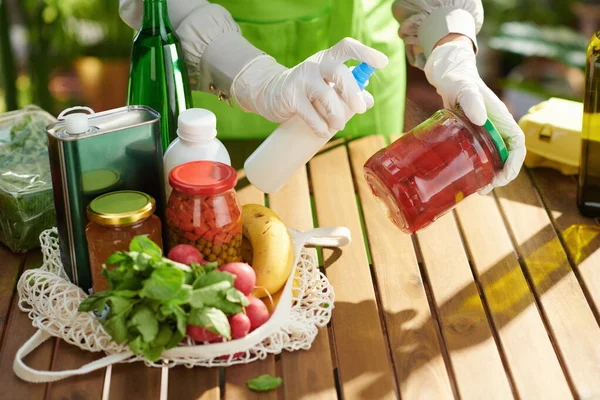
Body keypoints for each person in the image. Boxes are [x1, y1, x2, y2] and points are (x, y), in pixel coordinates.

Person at [119, 0, 525, 190]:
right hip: (215, 83)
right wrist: (252, 77)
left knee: (363, 235)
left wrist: (451, 46)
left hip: (352, 83)